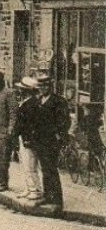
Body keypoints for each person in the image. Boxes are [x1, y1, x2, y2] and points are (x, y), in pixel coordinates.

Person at [26, 72, 70, 208]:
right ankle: (47, 196)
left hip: (51, 141)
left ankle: (57, 200)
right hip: (39, 140)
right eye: (40, 86)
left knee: (51, 169)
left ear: (50, 86)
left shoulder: (58, 101)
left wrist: (58, 136)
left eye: (45, 86)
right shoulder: (39, 101)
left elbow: (64, 122)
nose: (42, 89)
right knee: (44, 169)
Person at [11, 77, 44, 202]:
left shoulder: (32, 104)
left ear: (28, 91)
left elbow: (32, 124)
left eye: (22, 89)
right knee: (24, 164)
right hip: (23, 137)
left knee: (30, 165)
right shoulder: (27, 102)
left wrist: (28, 139)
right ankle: (29, 187)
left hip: (28, 139)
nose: (20, 91)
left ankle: (36, 190)